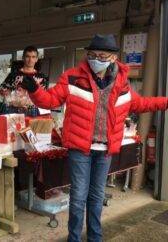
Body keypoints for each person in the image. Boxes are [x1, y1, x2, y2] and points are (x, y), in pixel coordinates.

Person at [20, 34, 168, 242]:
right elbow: (51, 99)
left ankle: (95, 238)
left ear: (113, 58)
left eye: (101, 56)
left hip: (105, 151)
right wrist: (35, 90)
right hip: (80, 149)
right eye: (91, 55)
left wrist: (165, 102)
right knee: (79, 198)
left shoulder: (122, 85)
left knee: (96, 198)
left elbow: (142, 104)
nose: (95, 59)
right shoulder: (72, 78)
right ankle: (74, 239)